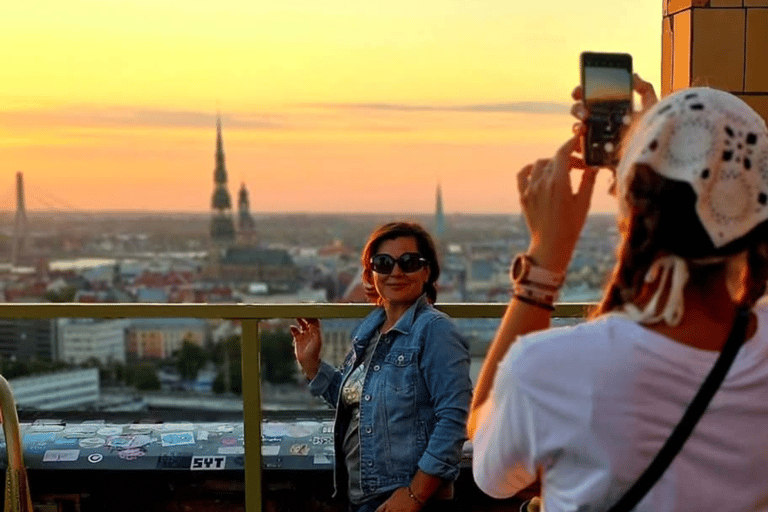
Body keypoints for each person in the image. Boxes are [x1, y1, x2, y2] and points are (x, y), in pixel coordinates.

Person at [469, 80, 768, 511]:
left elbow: (489, 465)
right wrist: (659, 143)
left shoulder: (552, 369)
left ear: (631, 207)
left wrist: (545, 260)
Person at [291, 222, 472, 512]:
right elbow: (361, 404)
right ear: (370, 273)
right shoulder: (370, 332)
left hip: (407, 499)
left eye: (409, 263)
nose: (396, 272)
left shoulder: (435, 331)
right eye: (383, 263)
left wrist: (414, 495)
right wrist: (312, 366)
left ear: (427, 272)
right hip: (367, 496)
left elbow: (453, 420)